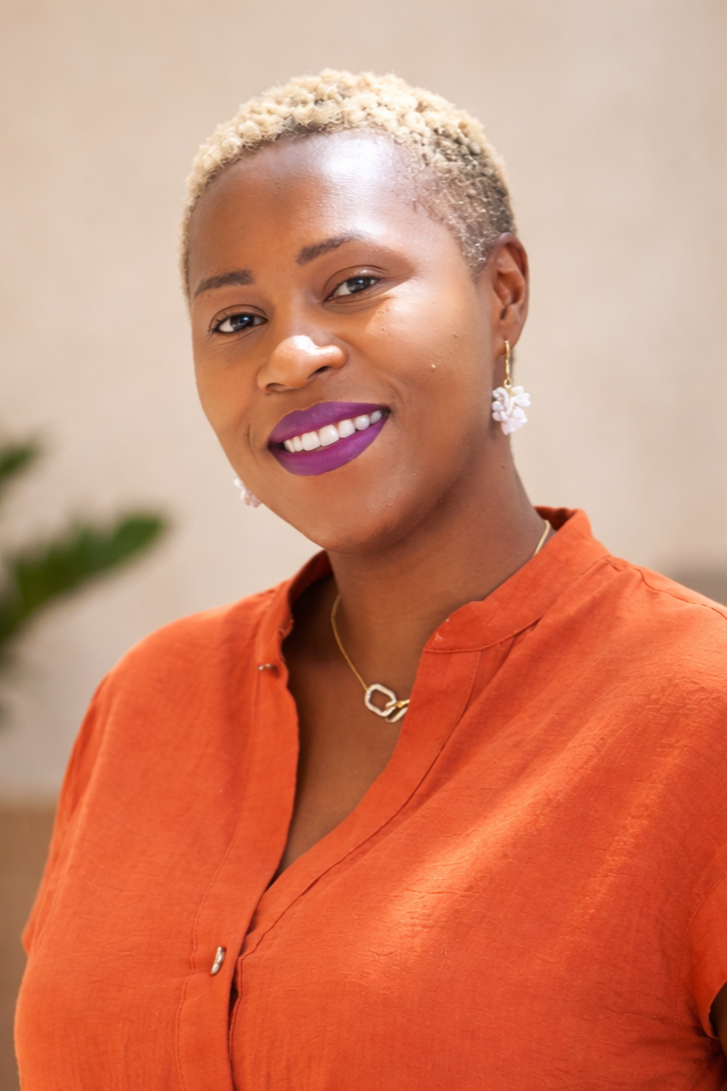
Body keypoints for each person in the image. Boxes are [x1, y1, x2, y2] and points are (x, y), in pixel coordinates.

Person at [15, 70, 727, 1090]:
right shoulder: (146, 700)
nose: (290, 356)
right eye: (235, 320)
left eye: (352, 283)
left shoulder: (698, 715)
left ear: (502, 294)